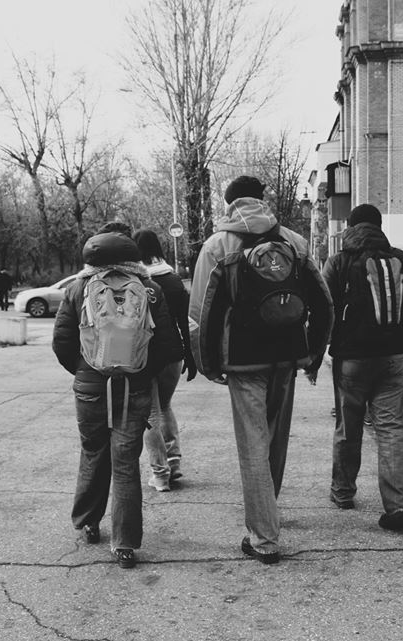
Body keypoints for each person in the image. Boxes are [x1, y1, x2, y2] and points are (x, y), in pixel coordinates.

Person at [189, 175, 333, 564]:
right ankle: (268, 510)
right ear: (262, 200)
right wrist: (314, 354)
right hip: (287, 357)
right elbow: (323, 302)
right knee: (275, 438)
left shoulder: (218, 245)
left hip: (242, 359)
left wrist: (207, 364)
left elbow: (200, 315)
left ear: (228, 204)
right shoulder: (293, 242)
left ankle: (264, 537)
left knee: (252, 443)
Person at [52, 231, 182, 569]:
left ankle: (89, 521)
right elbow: (168, 346)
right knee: (125, 463)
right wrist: (139, 371)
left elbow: (62, 343)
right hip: (133, 388)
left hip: (91, 388)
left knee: (93, 453)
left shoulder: (78, 289)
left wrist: (87, 371)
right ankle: (124, 544)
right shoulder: (150, 289)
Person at [321, 204, 403, 532]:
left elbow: (325, 310)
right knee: (392, 428)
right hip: (393, 359)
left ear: (351, 228)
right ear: (379, 227)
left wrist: (323, 351)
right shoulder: (401, 260)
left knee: (348, 428)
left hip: (351, 360)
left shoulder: (339, 262)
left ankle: (343, 492)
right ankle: (397, 506)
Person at [133, 228, 197, 492]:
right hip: (173, 355)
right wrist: (191, 358)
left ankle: (160, 474)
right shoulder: (172, 279)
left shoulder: (137, 282)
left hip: (147, 356)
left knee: (151, 414)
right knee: (166, 407)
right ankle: (174, 461)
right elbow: (185, 321)